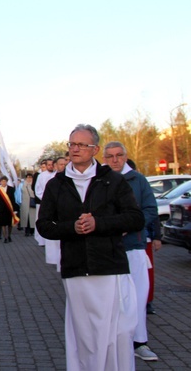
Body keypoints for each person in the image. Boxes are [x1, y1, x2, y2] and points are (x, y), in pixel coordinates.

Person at [37, 124, 145, 371]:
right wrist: (71, 228)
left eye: (80, 145)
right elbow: (44, 225)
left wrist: (99, 223)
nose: (74, 149)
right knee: (85, 337)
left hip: (110, 267)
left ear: (95, 149)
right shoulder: (57, 184)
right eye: (71, 144)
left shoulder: (113, 181)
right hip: (76, 269)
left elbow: (135, 218)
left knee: (114, 334)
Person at [103, 142, 159, 362]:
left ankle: (140, 342)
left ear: (126, 157)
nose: (115, 160)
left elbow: (150, 209)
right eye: (110, 156)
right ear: (104, 158)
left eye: (119, 155)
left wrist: (132, 224)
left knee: (137, 297)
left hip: (134, 245)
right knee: (111, 299)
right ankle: (114, 341)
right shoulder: (99, 180)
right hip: (108, 247)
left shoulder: (138, 179)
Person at [0, 176, 18, 243]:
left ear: (7, 182)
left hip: (9, 208)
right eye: (2, 181)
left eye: (5, 181)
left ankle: (9, 235)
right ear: (0, 182)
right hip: (2, 209)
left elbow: (13, 200)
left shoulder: (11, 189)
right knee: (3, 224)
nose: (3, 182)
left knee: (10, 224)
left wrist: (15, 209)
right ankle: (5, 237)